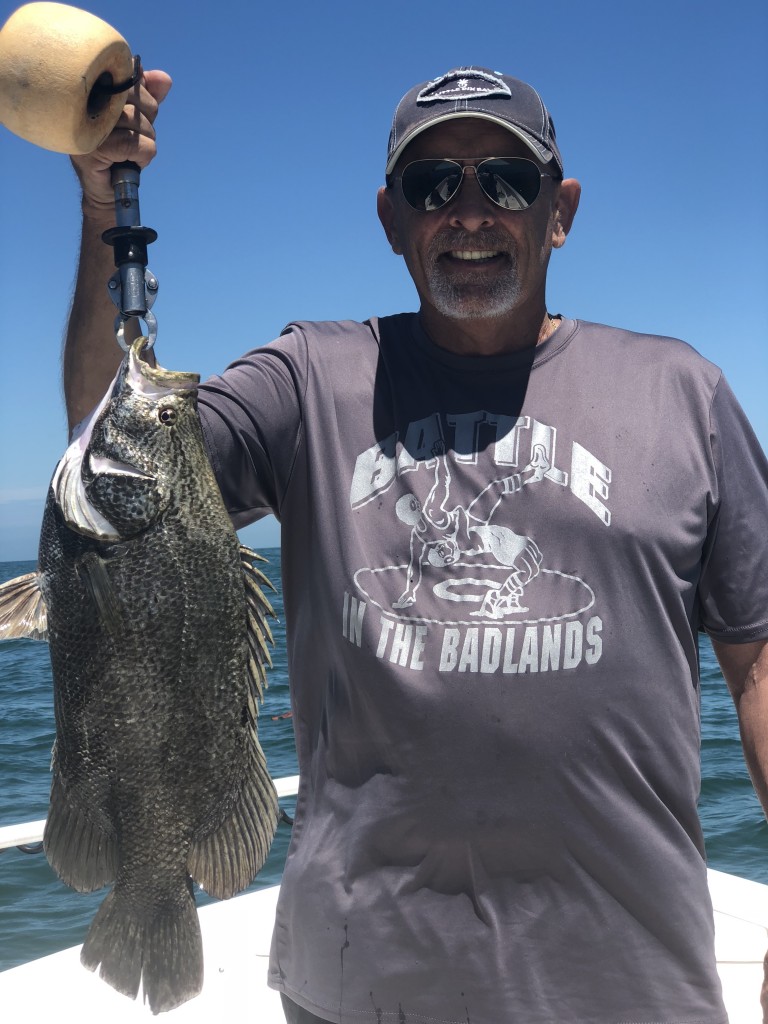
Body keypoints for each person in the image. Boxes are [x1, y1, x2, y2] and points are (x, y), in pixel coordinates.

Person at [64, 65, 768, 1024]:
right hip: (360, 984)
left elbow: (758, 662)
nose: (470, 212)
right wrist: (106, 199)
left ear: (559, 211)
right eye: (434, 184)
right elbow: (114, 454)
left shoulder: (686, 393)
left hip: (633, 985)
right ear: (393, 220)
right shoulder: (308, 377)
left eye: (506, 182)